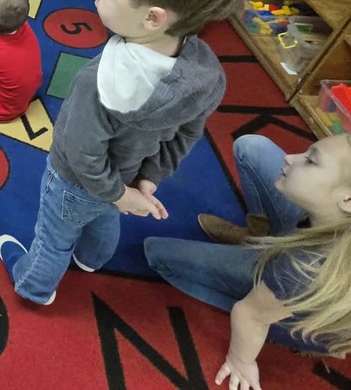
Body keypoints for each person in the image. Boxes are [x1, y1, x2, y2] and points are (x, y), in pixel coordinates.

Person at [0, 0, 248, 306]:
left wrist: (115, 192)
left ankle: (33, 286)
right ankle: (93, 259)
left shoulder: (99, 81)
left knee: (52, 238)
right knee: (104, 217)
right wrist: (144, 180)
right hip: (128, 176)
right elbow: (187, 133)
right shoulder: (207, 71)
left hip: (72, 182)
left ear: (153, 17)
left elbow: (80, 152)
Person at [145, 134, 351, 389]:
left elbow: (250, 316)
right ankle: (259, 238)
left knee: (156, 254)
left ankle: (272, 299)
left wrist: (241, 360)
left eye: (311, 161)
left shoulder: (305, 269)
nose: (290, 157)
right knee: (251, 147)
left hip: (294, 290)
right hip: (316, 234)